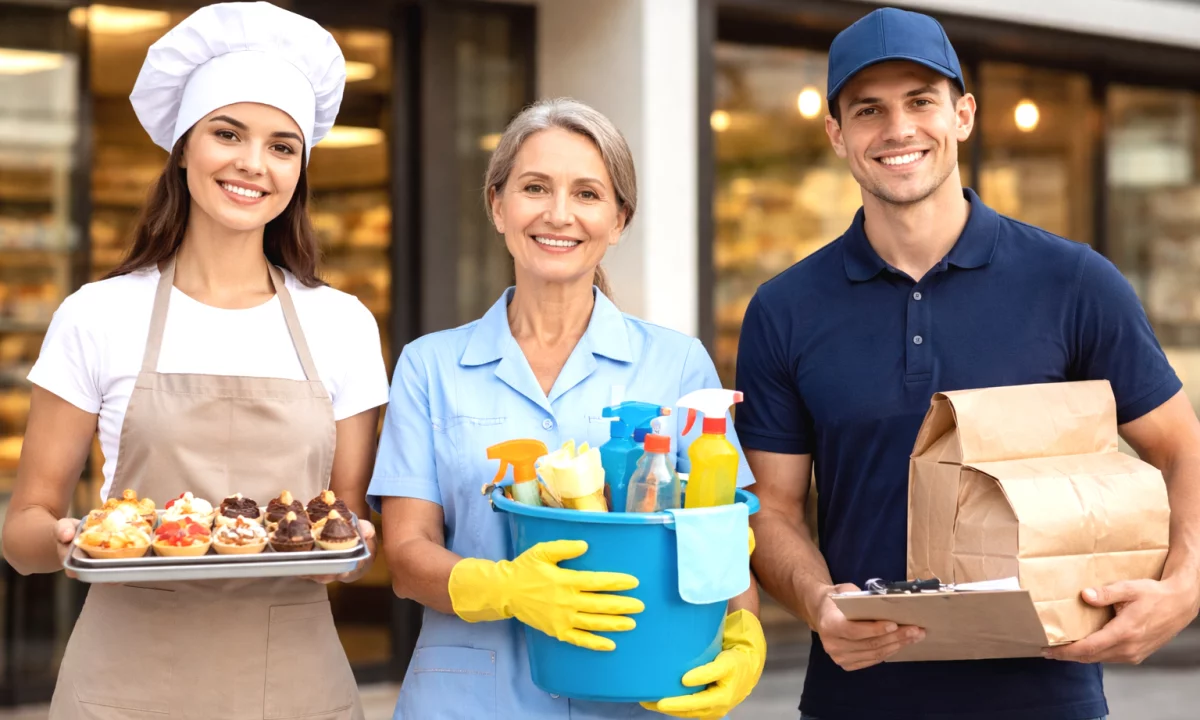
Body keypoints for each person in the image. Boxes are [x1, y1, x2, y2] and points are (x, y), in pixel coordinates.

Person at [734, 6, 1200, 720]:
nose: (898, 129)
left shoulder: (1075, 282)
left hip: (1048, 694)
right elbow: (774, 507)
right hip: (859, 697)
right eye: (868, 110)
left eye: (921, 101)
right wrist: (817, 602)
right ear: (836, 135)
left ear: (964, 115)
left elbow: (1181, 451)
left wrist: (1183, 590)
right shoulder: (784, 308)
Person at [1, 3, 389, 718]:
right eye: (227, 133)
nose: (252, 163)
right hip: (122, 678)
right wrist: (63, 540)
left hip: (292, 678)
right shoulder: (97, 314)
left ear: (300, 169)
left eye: (281, 146)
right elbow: (24, 527)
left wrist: (359, 539)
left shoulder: (343, 326)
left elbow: (341, 524)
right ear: (183, 147)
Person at [368, 97, 766, 719]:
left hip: (638, 688)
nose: (559, 214)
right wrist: (504, 588)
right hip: (467, 701)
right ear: (498, 205)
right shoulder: (430, 367)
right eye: (534, 187)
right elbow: (407, 554)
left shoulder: (677, 365)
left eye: (587, 193)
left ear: (619, 219)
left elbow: (719, 536)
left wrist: (742, 635)